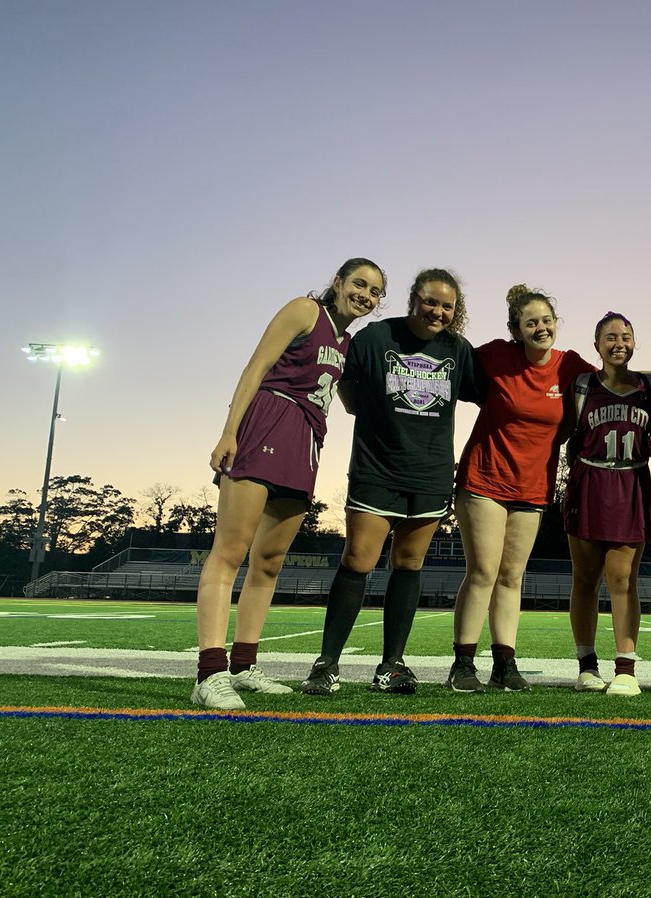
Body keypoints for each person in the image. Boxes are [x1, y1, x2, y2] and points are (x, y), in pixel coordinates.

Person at [191, 257, 386, 710]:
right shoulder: (305, 310)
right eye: (359, 284)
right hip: (268, 420)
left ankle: (243, 664)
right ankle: (209, 672)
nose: (365, 295)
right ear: (337, 282)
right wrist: (228, 432)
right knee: (230, 552)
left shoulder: (348, 341)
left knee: (270, 560)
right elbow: (255, 367)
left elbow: (352, 403)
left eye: (375, 291)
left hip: (308, 438)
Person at [300, 268, 481, 697]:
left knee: (409, 564)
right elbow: (347, 390)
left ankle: (391, 665)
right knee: (359, 560)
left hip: (431, 472)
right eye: (430, 301)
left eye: (447, 305)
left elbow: (484, 395)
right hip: (377, 468)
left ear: (455, 311)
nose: (437, 311)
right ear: (413, 299)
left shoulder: (458, 350)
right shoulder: (376, 338)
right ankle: (327, 664)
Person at [447, 284, 593, 692]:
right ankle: (462, 663)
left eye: (547, 320)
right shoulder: (494, 355)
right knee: (483, 572)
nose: (541, 327)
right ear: (516, 329)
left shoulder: (570, 366)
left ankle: (504, 665)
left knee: (512, 577)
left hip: (533, 487)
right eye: (532, 322)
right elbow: (448, 366)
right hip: (484, 480)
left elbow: (613, 383)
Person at [562, 312, 651, 697]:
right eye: (610, 337)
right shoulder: (581, 386)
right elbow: (556, 431)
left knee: (622, 579)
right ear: (597, 346)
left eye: (626, 335)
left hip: (632, 483)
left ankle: (625, 668)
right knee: (585, 580)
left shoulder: (650, 387)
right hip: (588, 483)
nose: (618, 342)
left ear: (635, 342)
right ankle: (586, 666)